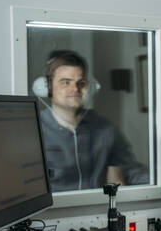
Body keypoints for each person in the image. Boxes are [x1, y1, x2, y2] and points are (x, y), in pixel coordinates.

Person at [39, 50, 149, 192]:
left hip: (98, 210)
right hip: (54, 212)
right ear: (48, 87)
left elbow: (131, 172)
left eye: (81, 82)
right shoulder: (34, 128)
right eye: (65, 82)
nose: (75, 89)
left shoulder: (106, 129)